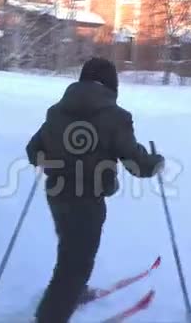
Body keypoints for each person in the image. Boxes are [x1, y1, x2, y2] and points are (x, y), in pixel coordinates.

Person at [25, 57, 165, 323]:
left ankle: (70, 294)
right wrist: (154, 163)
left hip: (57, 195)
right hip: (87, 201)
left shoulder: (57, 112)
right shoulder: (115, 117)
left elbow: (34, 151)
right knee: (74, 264)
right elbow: (135, 163)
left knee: (70, 252)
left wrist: (55, 159)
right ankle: (51, 315)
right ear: (111, 84)